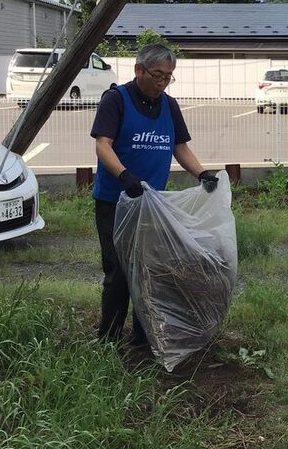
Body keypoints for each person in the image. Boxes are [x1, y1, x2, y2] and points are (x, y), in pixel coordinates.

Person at [90, 44, 219, 348]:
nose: (162, 82)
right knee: (118, 272)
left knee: (148, 269)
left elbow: (180, 147)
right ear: (139, 70)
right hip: (116, 202)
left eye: (168, 77)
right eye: (157, 75)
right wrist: (125, 176)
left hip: (151, 204)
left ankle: (142, 337)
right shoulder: (116, 100)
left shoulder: (169, 106)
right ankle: (108, 339)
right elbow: (103, 145)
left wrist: (202, 174)